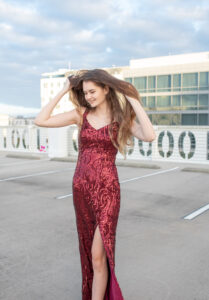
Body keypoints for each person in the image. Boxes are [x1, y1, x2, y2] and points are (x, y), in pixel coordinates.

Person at [34, 68, 156, 300]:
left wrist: (132, 98)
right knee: (89, 254)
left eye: (92, 91)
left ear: (105, 88)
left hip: (108, 190)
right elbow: (41, 120)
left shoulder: (121, 119)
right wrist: (63, 89)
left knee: (99, 253)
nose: (88, 96)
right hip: (81, 189)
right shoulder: (80, 113)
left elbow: (149, 135)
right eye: (85, 92)